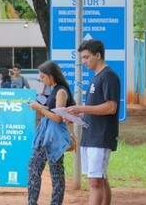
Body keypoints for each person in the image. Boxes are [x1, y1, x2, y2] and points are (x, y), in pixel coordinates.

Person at [66, 39, 120, 205]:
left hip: (101, 135)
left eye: (87, 57)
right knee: (100, 179)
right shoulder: (95, 78)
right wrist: (75, 114)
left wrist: (82, 108)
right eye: (82, 58)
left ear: (98, 55)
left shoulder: (109, 76)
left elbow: (111, 107)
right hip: (90, 136)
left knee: (95, 182)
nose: (84, 61)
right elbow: (94, 109)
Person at [28, 61, 75, 205]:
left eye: (42, 77)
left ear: (51, 75)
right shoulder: (54, 90)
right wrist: (41, 107)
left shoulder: (61, 91)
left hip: (52, 138)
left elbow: (58, 117)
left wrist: (39, 108)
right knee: (37, 169)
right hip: (45, 135)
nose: (41, 80)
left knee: (53, 174)